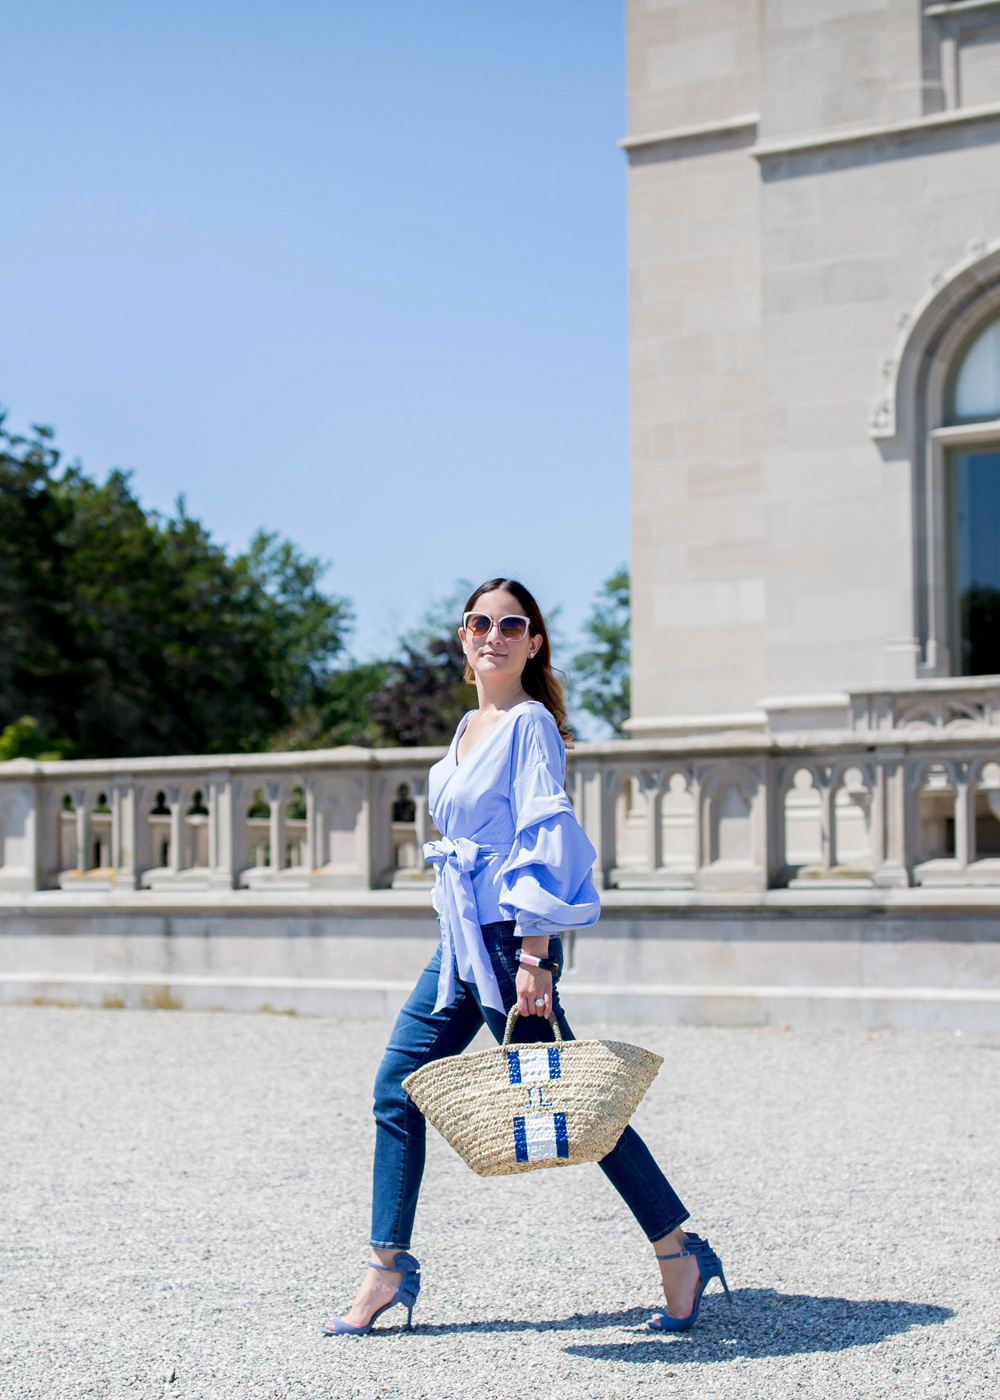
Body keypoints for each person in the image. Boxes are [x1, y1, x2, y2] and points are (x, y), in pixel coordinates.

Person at [323, 578, 729, 1337]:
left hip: (512, 940)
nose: (495, 635)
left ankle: (679, 1252)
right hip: (460, 942)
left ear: (534, 642)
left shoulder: (531, 724)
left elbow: (545, 835)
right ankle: (387, 1268)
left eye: (513, 625)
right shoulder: (470, 726)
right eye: (482, 622)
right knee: (396, 1089)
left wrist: (537, 956)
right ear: (464, 634)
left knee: (579, 1106)